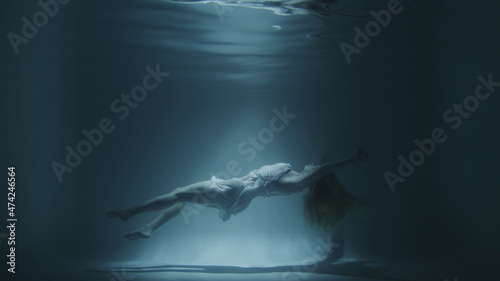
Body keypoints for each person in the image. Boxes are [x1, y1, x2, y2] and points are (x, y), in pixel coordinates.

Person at [107, 146, 374, 240]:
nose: (313, 165)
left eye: (317, 170)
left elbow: (324, 167)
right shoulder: (294, 178)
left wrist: (353, 160)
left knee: (178, 194)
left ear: (318, 177)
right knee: (185, 200)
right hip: (232, 196)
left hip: (229, 192)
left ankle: (132, 213)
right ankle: (149, 229)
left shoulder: (300, 181)